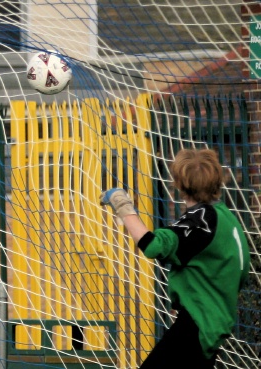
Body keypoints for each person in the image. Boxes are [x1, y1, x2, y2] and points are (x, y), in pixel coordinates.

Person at [101, 148, 250, 369]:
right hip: (214, 323)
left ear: (179, 184)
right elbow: (241, 271)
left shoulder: (201, 221)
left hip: (197, 325)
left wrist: (122, 204)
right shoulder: (227, 218)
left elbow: (153, 245)